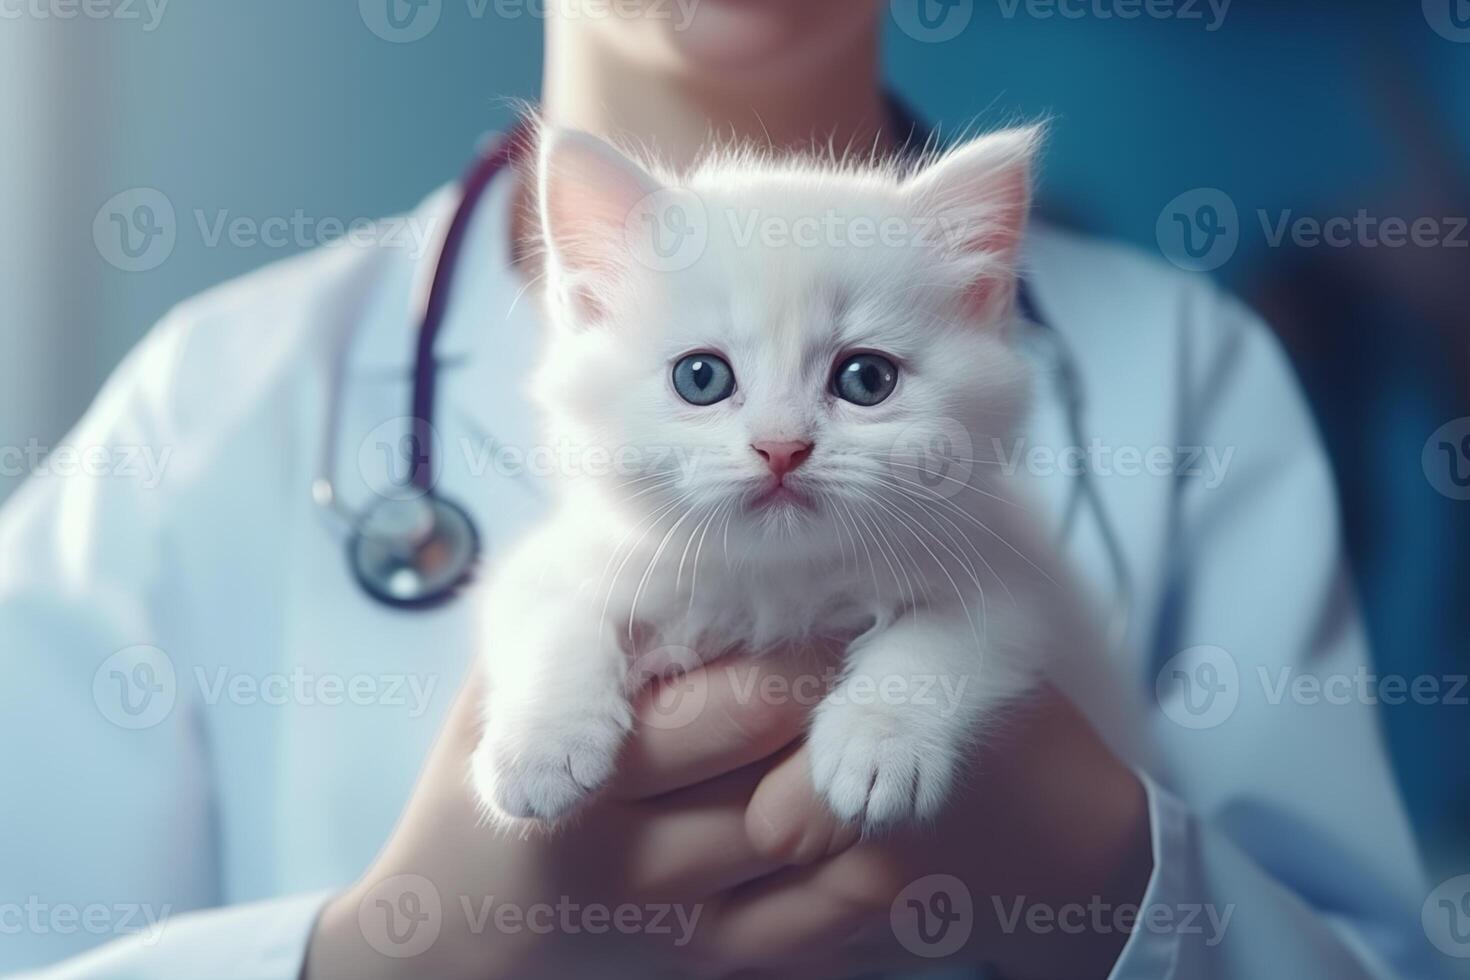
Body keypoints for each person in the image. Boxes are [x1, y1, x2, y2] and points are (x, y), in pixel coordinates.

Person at [0, 2, 1441, 977]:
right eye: (704, 383)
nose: (775, 439)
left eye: (863, 381)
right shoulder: (208, 398)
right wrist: (385, 950)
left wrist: (1108, 872)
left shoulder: (1186, 369)